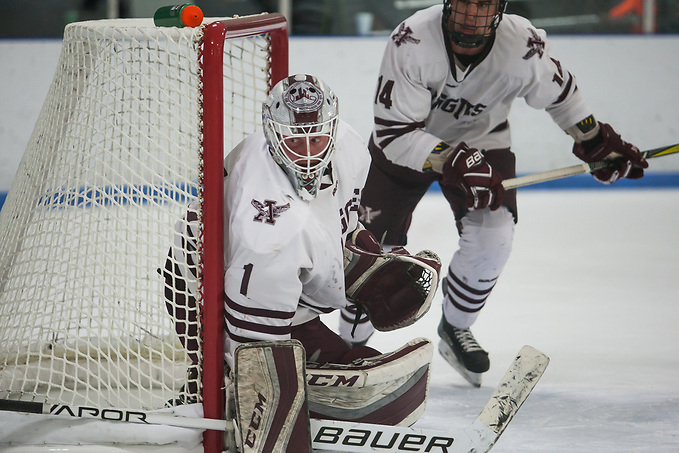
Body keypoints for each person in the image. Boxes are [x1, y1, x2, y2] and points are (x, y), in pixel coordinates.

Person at [338, 0, 648, 387]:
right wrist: (451, 159)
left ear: (499, 9)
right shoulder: (412, 38)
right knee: (374, 252)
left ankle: (456, 327)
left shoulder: (523, 44)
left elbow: (562, 95)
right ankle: (347, 348)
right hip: (405, 149)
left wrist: (594, 139)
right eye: (464, 3)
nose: (471, 14)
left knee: (494, 240)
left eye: (482, 5)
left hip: (484, 142)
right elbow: (394, 133)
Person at [161, 74, 441, 451]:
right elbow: (253, 341)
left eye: (316, 138)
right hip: (198, 281)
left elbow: (342, 222)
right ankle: (202, 394)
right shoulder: (267, 219)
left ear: (333, 128)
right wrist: (265, 402)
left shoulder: (350, 147)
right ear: (273, 134)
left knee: (334, 360)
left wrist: (365, 258)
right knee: (239, 382)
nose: (308, 152)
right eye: (294, 141)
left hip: (270, 275)